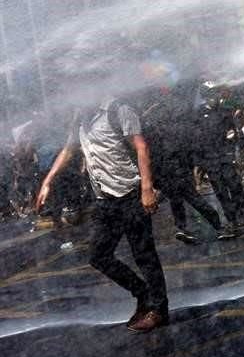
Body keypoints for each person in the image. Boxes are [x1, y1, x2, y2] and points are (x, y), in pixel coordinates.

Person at [36, 97, 169, 333]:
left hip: (131, 194)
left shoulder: (118, 110)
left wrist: (147, 189)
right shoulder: (81, 119)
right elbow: (68, 150)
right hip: (105, 200)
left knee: (144, 255)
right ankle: (142, 293)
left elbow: (141, 146)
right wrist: (48, 181)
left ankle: (159, 310)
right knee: (98, 255)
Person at [141, 87, 234, 243]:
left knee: (182, 198)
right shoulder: (171, 117)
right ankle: (213, 227)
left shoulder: (155, 119)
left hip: (169, 166)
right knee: (187, 198)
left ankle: (201, 227)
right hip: (173, 166)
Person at [193, 83, 244, 230]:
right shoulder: (198, 116)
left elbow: (231, 133)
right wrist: (200, 160)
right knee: (220, 190)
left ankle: (241, 212)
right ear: (205, 97)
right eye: (211, 94)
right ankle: (231, 217)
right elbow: (196, 139)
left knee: (234, 185)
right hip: (210, 159)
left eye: (216, 93)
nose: (215, 97)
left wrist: (230, 153)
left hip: (224, 156)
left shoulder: (225, 112)